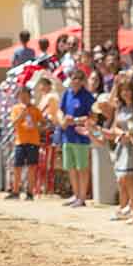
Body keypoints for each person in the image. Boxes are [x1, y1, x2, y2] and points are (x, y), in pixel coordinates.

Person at [110, 77, 133, 223]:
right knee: (126, 179)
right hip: (123, 146)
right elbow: (115, 127)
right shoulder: (119, 107)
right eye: (123, 90)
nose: (125, 93)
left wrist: (131, 133)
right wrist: (120, 134)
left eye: (128, 90)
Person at [58, 69, 95, 208]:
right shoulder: (67, 94)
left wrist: (75, 120)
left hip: (81, 137)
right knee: (71, 168)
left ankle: (82, 197)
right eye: (74, 78)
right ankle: (76, 195)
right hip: (68, 136)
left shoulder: (87, 96)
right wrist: (63, 121)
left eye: (79, 78)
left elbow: (93, 116)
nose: (76, 81)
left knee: (82, 168)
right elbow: (61, 111)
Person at [7, 84, 42, 200]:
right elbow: (13, 123)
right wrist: (22, 115)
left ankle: (30, 192)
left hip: (33, 141)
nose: (23, 98)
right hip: (20, 141)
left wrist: (37, 124)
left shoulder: (35, 109)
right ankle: (15, 191)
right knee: (17, 167)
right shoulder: (16, 109)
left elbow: (42, 123)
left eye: (25, 96)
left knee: (32, 167)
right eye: (21, 96)